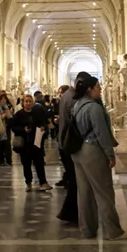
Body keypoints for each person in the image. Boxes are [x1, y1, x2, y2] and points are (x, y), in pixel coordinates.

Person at [71, 75, 127, 240]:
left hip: (78, 151)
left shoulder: (77, 105)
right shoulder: (94, 108)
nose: (100, 89)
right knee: (104, 192)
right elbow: (101, 133)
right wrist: (110, 154)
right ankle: (113, 231)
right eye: (98, 87)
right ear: (90, 89)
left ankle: (87, 229)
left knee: (84, 193)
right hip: (93, 151)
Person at [10, 94, 52, 191]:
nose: (28, 103)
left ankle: (43, 182)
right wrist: (23, 129)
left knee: (39, 163)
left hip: (36, 141)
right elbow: (13, 127)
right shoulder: (19, 114)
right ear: (23, 103)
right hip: (24, 143)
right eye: (26, 101)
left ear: (33, 102)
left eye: (30, 101)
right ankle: (28, 182)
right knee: (26, 164)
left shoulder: (37, 113)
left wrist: (43, 127)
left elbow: (44, 122)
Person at [56, 81, 79, 223]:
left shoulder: (66, 97)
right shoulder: (72, 99)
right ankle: (70, 212)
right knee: (75, 180)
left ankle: (70, 212)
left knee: (74, 180)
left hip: (64, 142)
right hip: (70, 144)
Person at [0, 93, 15, 166]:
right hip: (0, 128)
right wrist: (3, 116)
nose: (3, 101)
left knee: (7, 144)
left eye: (5, 99)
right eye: (2, 99)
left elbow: (10, 117)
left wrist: (7, 109)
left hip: (6, 128)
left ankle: (8, 160)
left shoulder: (8, 107)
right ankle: (0, 159)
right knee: (0, 144)